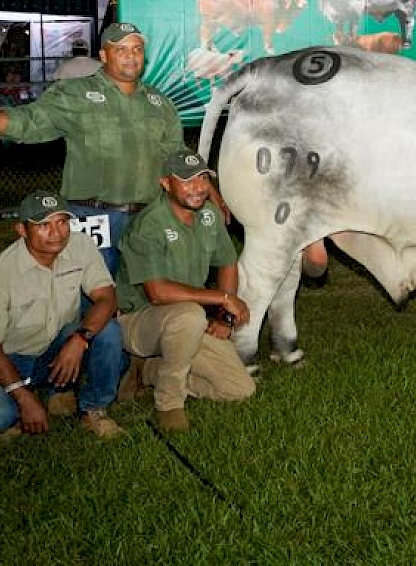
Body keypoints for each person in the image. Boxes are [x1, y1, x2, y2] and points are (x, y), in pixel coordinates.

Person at [0, 22, 185, 273]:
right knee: (96, 296)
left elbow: (177, 158)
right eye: (121, 49)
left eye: (137, 49)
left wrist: (210, 194)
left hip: (147, 217)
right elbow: (31, 121)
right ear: (103, 56)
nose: (131, 56)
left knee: (144, 295)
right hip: (92, 215)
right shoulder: (75, 93)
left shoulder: (160, 104)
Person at [115, 150, 255, 433]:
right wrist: (224, 299)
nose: (199, 188)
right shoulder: (150, 224)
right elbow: (157, 293)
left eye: (203, 178)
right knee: (189, 315)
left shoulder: (209, 216)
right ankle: (169, 403)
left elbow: (227, 263)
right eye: (187, 181)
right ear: (166, 184)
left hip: (188, 323)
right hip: (138, 321)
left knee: (240, 389)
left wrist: (223, 318)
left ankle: (149, 371)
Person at [1, 190, 126, 440]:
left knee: (107, 330)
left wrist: (80, 339)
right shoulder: (5, 270)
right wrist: (23, 397)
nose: (56, 232)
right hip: (13, 360)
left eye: (62, 222)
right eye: (44, 225)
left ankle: (94, 408)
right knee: (4, 415)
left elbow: (106, 298)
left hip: (57, 350)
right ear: (22, 230)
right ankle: (26, 399)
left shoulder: (80, 245)